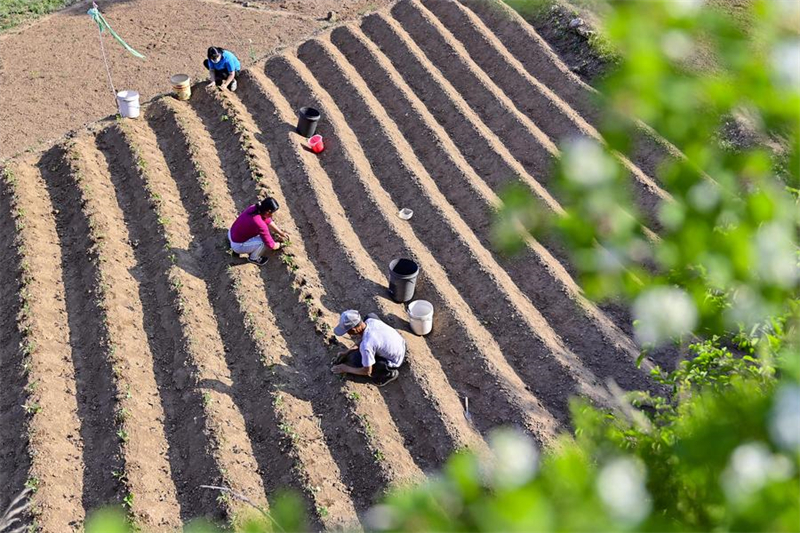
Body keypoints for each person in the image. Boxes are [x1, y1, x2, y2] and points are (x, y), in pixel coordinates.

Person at [331, 310, 406, 387]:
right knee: (370, 315)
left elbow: (366, 371)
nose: (347, 333)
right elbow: (365, 338)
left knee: (355, 360)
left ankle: (388, 373)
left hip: (396, 359)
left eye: (347, 331)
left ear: (353, 330)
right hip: (400, 342)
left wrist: (345, 368)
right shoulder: (371, 320)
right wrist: (347, 352)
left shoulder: (366, 345)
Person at [228, 197, 289, 266]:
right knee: (263, 242)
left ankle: (242, 248)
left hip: (231, 233)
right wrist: (280, 245)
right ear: (268, 211)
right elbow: (271, 245)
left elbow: (267, 220)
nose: (272, 215)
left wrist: (281, 233)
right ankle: (254, 258)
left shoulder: (254, 208)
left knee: (256, 235)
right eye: (272, 212)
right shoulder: (260, 224)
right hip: (238, 245)